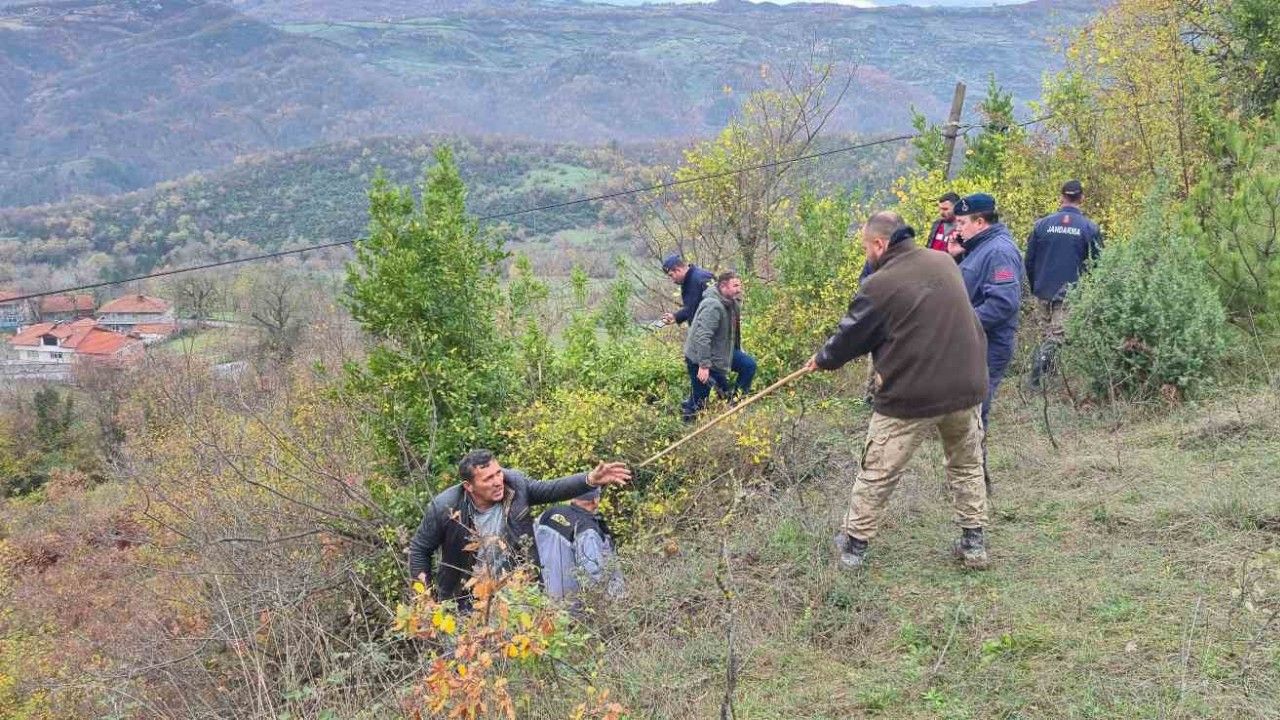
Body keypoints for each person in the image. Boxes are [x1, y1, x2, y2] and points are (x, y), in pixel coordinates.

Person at [805, 211, 991, 570]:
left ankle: (853, 549)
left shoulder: (879, 285)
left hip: (911, 394)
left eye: (866, 247)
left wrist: (824, 359)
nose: (866, 254)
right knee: (967, 464)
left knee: (878, 470)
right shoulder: (944, 261)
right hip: (966, 386)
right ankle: (974, 545)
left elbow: (851, 335)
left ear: (879, 244)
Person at [407, 449, 630, 607]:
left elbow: (551, 489)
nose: (498, 482)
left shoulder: (515, 485)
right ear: (469, 486)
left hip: (517, 593)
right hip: (464, 598)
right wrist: (425, 598)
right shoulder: (444, 508)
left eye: (498, 473)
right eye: (488, 478)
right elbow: (419, 550)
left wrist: (590, 479)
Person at [948, 193, 1023, 432]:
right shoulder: (979, 248)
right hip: (974, 342)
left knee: (975, 412)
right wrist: (957, 256)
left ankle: (977, 457)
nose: (958, 229)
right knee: (965, 412)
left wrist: (960, 324)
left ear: (980, 222)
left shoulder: (999, 252)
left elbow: (1003, 304)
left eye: (962, 223)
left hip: (989, 345)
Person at [1024, 179, 1103, 388]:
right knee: (1057, 336)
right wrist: (1088, 289)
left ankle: (1047, 380)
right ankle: (1036, 378)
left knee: (1045, 334)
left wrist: (1035, 286)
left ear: (1061, 197)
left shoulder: (1041, 225)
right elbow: (1098, 264)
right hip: (1070, 292)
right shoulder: (1089, 227)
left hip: (1042, 288)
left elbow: (1029, 261)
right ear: (1082, 198)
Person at [681, 271, 757, 422]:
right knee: (700, 400)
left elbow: (732, 330)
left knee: (748, 365)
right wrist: (703, 365)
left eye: (739, 285)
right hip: (699, 358)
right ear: (723, 286)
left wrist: (737, 348)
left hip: (720, 352)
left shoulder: (731, 303)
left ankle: (736, 404)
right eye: (735, 286)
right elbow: (702, 337)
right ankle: (688, 424)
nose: (739, 289)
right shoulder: (712, 306)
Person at [535, 487, 623, 601]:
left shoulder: (548, 513)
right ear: (595, 500)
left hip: (539, 599)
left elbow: (529, 545)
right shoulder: (587, 531)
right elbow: (594, 578)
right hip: (569, 606)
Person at [857, 191, 961, 283]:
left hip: (947, 272)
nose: (941, 212)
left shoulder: (960, 231)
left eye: (945, 209)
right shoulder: (937, 225)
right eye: (940, 209)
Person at [660, 254, 715, 327]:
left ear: (678, 269)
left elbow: (713, 307)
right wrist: (676, 317)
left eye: (671, 275)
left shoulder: (703, 278)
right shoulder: (687, 282)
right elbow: (692, 308)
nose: (672, 280)